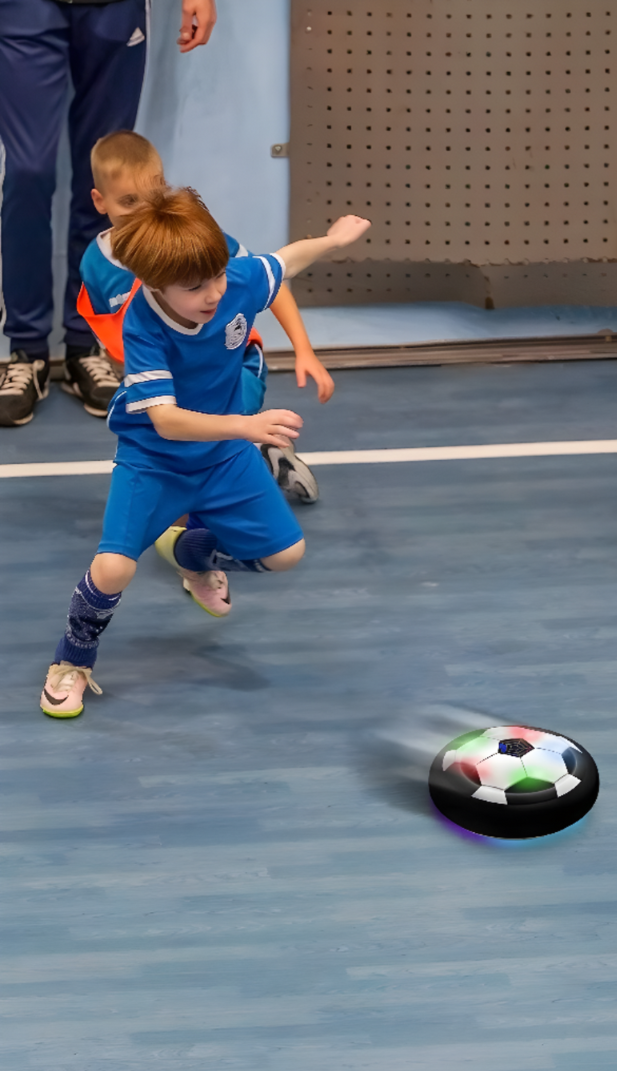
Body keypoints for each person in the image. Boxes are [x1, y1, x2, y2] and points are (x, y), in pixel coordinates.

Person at [38, 187, 370, 719]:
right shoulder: (143, 325)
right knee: (115, 567)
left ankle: (193, 555)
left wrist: (331, 240)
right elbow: (165, 420)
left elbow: (284, 262)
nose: (215, 293)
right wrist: (247, 425)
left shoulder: (229, 281)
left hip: (223, 456)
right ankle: (71, 661)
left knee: (285, 555)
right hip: (154, 460)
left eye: (217, 276)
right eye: (195, 287)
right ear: (153, 284)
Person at [79, 129, 332, 502]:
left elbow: (268, 282)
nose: (140, 212)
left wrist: (304, 350)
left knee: (224, 421)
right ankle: (239, 466)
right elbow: (118, 338)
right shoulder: (96, 266)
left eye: (149, 197)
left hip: (233, 363)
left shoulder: (198, 242)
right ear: (100, 202)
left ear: (163, 188)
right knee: (177, 439)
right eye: (127, 202)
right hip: (177, 380)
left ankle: (252, 455)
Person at [0, 0, 217, 428]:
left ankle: (86, 344)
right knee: (28, 173)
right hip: (24, 8)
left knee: (108, 183)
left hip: (114, 8)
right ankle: (27, 352)